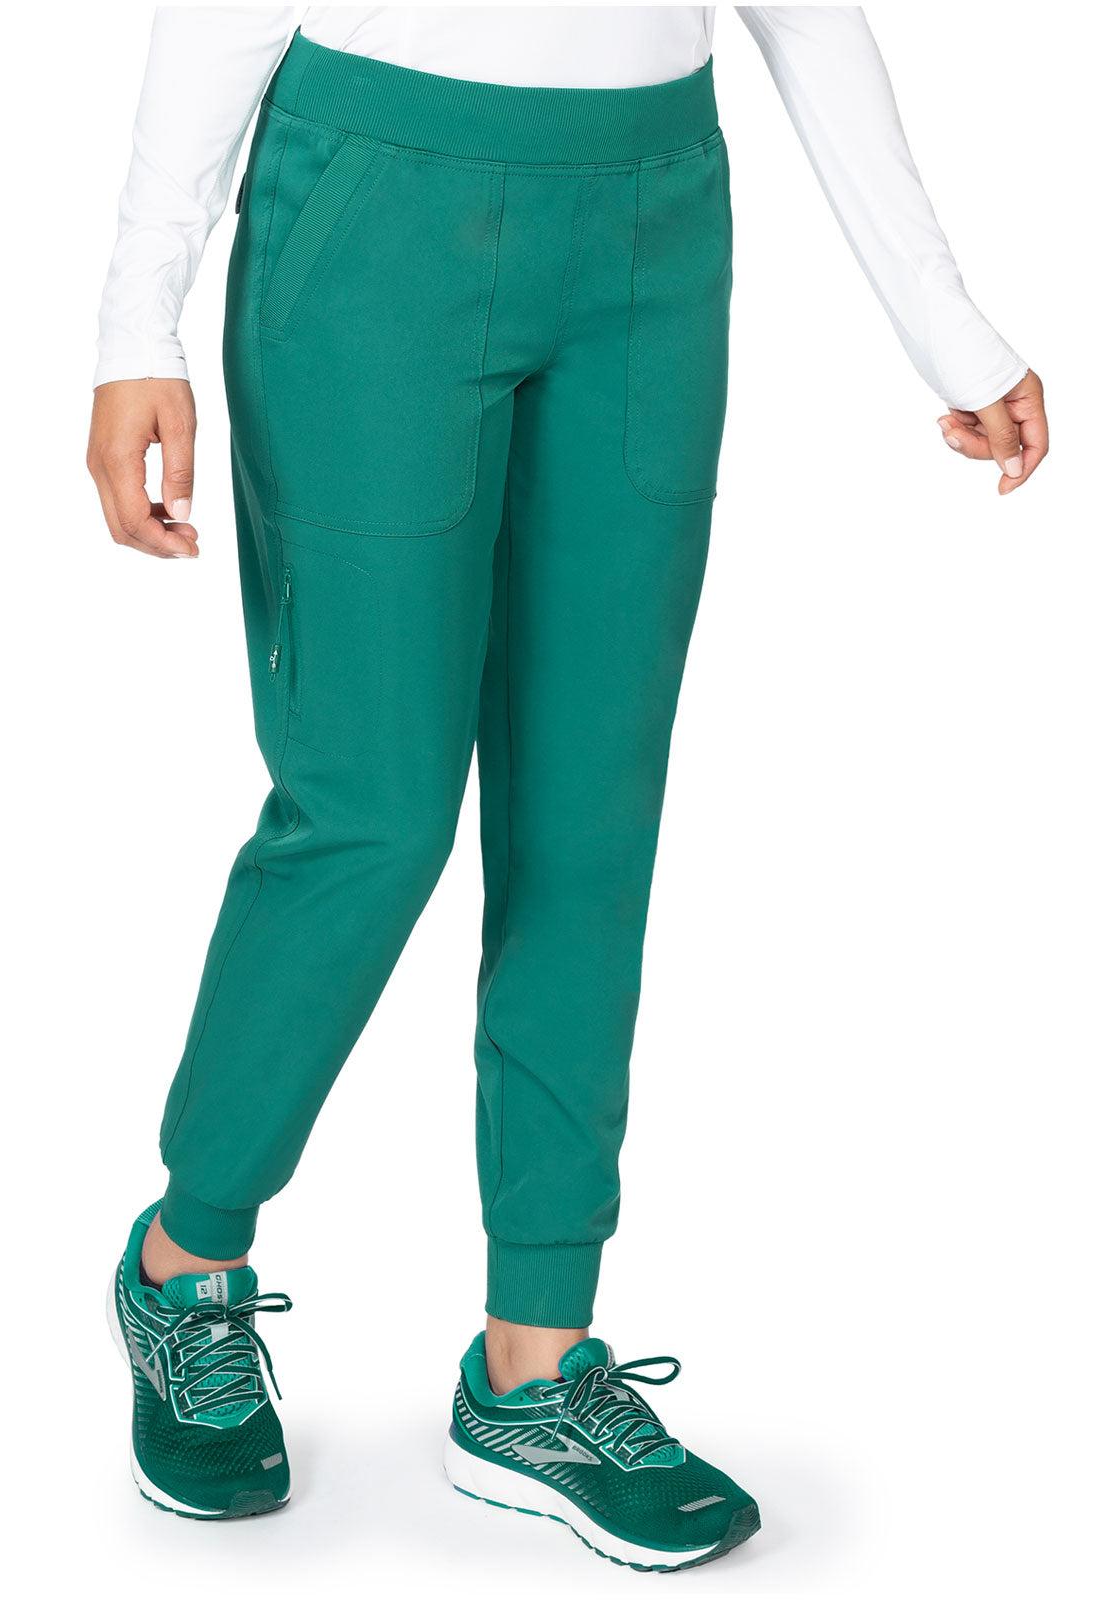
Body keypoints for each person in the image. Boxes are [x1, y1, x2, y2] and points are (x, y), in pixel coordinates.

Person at [88, 5, 1048, 1570]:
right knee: (371, 811)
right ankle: (184, 1258)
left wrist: (946, 324)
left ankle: (532, 1365)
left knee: (587, 818)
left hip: (650, 226)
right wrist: (140, 321)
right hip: (377, 217)